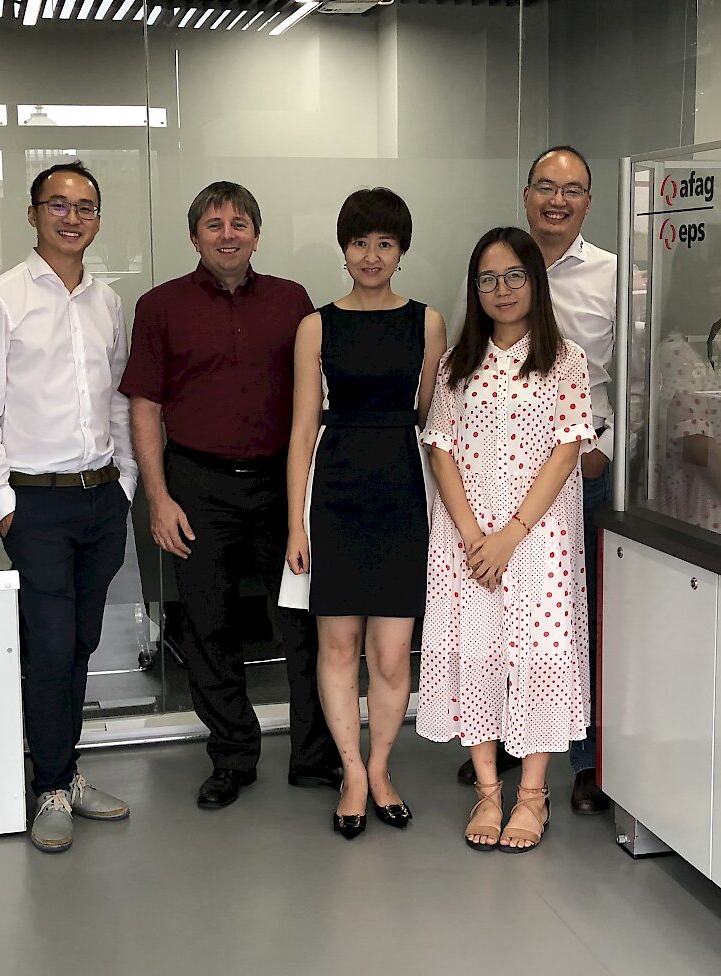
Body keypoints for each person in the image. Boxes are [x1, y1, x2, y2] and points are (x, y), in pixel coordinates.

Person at [119, 181, 338, 810]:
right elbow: (145, 406)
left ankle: (314, 755)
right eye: (213, 225)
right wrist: (158, 498)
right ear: (194, 237)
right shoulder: (160, 306)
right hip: (198, 485)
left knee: (300, 623)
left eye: (239, 223)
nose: (227, 234)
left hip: (280, 483)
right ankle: (233, 756)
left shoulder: (292, 301)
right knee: (208, 626)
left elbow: (316, 393)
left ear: (256, 235)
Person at [0, 161, 138, 853]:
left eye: (85, 206)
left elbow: (118, 398)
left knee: (82, 641)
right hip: (34, 504)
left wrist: (126, 480)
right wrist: (1, 504)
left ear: (98, 219)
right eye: (57, 204)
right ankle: (52, 785)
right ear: (32, 214)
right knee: (51, 646)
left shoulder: (107, 301)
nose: (72, 216)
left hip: (101, 498)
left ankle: (65, 769)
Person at [450, 146, 616, 815]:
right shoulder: (492, 283)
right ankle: (506, 750)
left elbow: (634, 374)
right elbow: (454, 410)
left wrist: (604, 448)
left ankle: (582, 760)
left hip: (574, 481)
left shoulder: (613, 276)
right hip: (488, 496)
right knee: (493, 627)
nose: (557, 200)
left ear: (588, 202)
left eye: (571, 189)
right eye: (545, 186)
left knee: (569, 626)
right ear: (526, 195)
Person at [418, 226, 594, 852]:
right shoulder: (455, 365)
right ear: (475, 289)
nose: (502, 289)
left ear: (535, 283)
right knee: (478, 656)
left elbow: (567, 450)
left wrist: (510, 536)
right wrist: (474, 537)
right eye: (488, 279)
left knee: (541, 657)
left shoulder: (566, 360)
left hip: (539, 540)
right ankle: (489, 793)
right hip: (466, 541)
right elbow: (440, 448)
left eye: (514, 275)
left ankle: (533, 795)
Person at [281, 188, 446, 839]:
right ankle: (351, 771)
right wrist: (296, 523)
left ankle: (380, 768)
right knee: (338, 644)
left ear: (401, 251)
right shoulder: (316, 326)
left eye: (384, 243)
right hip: (336, 491)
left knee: (393, 653)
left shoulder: (428, 323)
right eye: (359, 242)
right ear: (343, 248)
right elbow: (301, 430)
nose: (371, 255)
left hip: (403, 491)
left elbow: (434, 422)